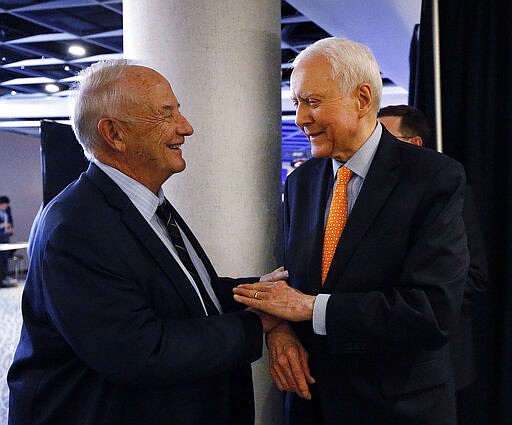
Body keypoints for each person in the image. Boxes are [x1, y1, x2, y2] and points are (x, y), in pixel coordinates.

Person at [7, 59, 281, 425]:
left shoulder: (144, 205)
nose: (186, 128)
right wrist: (257, 322)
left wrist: (259, 292)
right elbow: (139, 350)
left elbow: (182, 293)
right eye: (166, 114)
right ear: (114, 134)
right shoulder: (78, 226)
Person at [233, 37, 469, 425]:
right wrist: (280, 332)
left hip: (397, 408)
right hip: (311, 403)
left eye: (311, 102)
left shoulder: (433, 178)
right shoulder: (300, 184)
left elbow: (431, 312)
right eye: (296, 104)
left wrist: (311, 308)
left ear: (361, 99)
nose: (299, 119)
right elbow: (291, 282)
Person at [378, 104, 489, 413]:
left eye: (383, 137)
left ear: (414, 144)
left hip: (439, 362)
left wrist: (420, 302)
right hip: (382, 370)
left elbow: (475, 278)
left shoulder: (449, 190)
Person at [0, 195, 16, 287]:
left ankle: (5, 276)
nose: (6, 207)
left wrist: (10, 227)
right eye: (5, 205)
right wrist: (3, 225)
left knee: (5, 258)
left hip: (6, 236)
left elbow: (10, 220)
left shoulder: (8, 209)